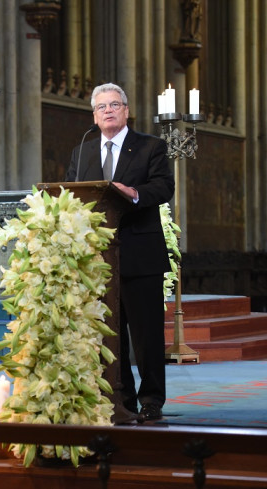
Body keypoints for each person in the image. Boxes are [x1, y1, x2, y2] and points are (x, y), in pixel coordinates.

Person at [66, 83, 174, 423]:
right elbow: (71, 193)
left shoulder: (150, 147)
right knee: (110, 332)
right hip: (98, 259)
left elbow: (164, 187)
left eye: (115, 104)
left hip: (140, 254)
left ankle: (152, 399)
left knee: (146, 334)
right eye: (101, 107)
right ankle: (121, 398)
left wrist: (134, 192)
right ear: (94, 116)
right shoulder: (82, 152)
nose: (108, 110)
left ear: (126, 111)